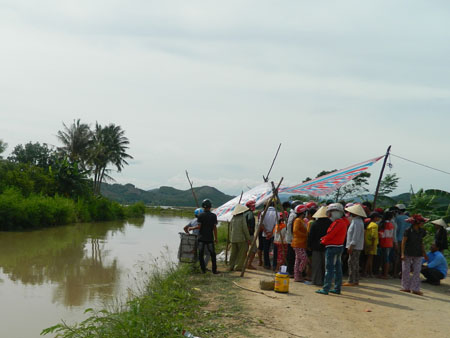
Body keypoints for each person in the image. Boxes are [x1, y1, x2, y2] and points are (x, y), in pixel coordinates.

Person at [316, 203, 350, 295]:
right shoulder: (344, 222)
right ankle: (337, 288)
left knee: (329, 269)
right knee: (337, 268)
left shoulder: (337, 223)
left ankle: (326, 288)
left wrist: (322, 240)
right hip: (339, 247)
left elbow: (330, 235)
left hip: (332, 247)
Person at [189, 199, 219, 274]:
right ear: (210, 207)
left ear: (203, 207)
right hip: (210, 238)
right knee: (212, 254)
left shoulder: (200, 215)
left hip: (201, 238)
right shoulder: (213, 216)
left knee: (201, 254)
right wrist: (216, 238)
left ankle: (203, 270)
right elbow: (214, 228)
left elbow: (199, 227)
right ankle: (214, 270)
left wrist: (192, 228)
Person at [401, 214, 428, 295]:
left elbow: (421, 242)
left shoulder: (422, 231)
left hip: (418, 253)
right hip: (408, 252)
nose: (423, 224)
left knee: (417, 271)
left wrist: (424, 253)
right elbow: (403, 242)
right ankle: (406, 287)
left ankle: (415, 289)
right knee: (406, 270)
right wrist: (402, 254)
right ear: (417, 223)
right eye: (422, 222)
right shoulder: (408, 230)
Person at [343, 204, 366, 286]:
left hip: (355, 246)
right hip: (355, 245)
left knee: (352, 262)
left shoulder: (357, 222)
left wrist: (351, 245)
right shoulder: (357, 221)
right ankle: (355, 279)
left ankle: (352, 280)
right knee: (354, 262)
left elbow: (355, 235)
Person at [308, 206, 332, 286]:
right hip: (327, 246)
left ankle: (316, 281)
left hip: (316, 247)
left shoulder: (315, 224)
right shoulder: (330, 223)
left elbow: (311, 236)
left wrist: (309, 246)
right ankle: (326, 281)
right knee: (326, 266)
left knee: (316, 265)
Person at [228, 204, 251, 272]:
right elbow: (245, 229)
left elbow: (230, 229)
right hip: (241, 238)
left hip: (233, 238)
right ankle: (238, 267)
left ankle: (231, 266)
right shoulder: (242, 218)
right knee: (241, 254)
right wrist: (248, 238)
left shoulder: (233, 218)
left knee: (233, 253)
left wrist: (230, 238)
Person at [292, 204, 308, 282]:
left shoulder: (301, 220)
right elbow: (295, 231)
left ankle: (297, 276)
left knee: (298, 260)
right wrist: (305, 235)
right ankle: (299, 272)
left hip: (301, 243)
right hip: (298, 243)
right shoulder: (298, 220)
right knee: (304, 259)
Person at [378, 211, 395, 279]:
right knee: (386, 258)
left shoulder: (384, 224)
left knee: (385, 259)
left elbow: (382, 234)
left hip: (384, 242)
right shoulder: (391, 224)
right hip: (389, 242)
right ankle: (385, 274)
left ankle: (385, 274)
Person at [261, 201, 278, 270]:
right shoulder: (277, 213)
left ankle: (267, 264)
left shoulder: (263, 213)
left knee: (266, 250)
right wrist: (271, 233)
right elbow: (277, 225)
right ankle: (274, 265)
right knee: (275, 250)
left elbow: (261, 224)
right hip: (274, 234)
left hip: (265, 234)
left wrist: (266, 232)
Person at [286, 201, 301, 277]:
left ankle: (290, 271)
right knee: (292, 256)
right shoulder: (294, 215)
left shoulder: (291, 214)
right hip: (292, 238)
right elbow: (292, 228)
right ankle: (291, 271)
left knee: (291, 255)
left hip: (290, 237)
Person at [364, 212, 381, 278]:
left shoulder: (369, 224)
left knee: (369, 258)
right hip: (372, 244)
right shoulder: (374, 225)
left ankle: (369, 272)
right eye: (378, 217)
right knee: (370, 259)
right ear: (375, 218)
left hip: (367, 243)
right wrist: (372, 245)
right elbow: (373, 236)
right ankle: (366, 272)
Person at [394, 204, 410, 277]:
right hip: (407, 240)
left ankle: (395, 273)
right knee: (404, 257)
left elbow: (395, 230)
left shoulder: (397, 218)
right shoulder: (408, 219)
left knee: (397, 256)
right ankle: (402, 273)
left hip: (398, 239)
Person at [244, 200, 258, 269]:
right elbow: (249, 222)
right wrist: (249, 231)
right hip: (250, 235)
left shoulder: (244, 213)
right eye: (253, 205)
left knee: (245, 249)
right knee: (254, 249)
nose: (254, 207)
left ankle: (244, 263)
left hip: (244, 234)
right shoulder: (250, 214)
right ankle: (249, 264)